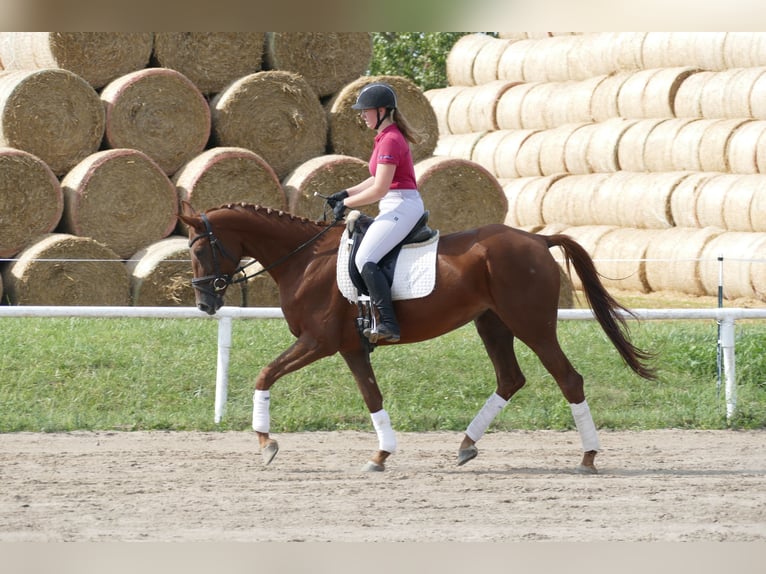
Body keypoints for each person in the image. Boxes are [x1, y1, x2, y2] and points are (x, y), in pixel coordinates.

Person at [326, 82, 425, 343]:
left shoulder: (391, 139)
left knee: (365, 258)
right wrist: (346, 193)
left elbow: (380, 188)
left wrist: (348, 205)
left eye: (366, 110)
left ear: (382, 110)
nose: (362, 115)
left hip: (402, 204)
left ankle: (389, 323)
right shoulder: (384, 137)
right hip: (395, 203)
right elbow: (375, 178)